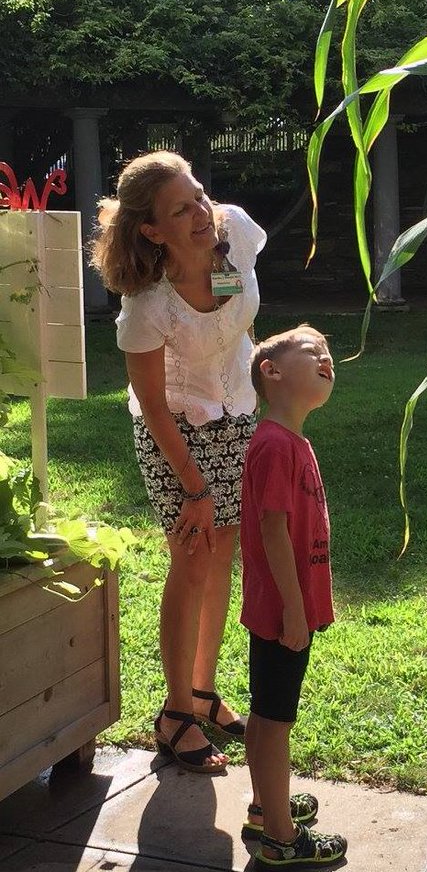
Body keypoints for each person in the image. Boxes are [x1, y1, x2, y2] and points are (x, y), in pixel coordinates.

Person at [91, 150, 267, 774]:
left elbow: (237, 319)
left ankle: (203, 691)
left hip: (236, 418)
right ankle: (173, 715)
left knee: (222, 556)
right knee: (191, 558)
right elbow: (152, 404)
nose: (201, 213)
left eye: (198, 195)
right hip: (176, 435)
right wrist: (194, 487)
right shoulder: (148, 307)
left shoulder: (234, 236)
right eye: (180, 209)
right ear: (152, 230)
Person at [240, 325, 348, 868]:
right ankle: (281, 835)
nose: (326, 359)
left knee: (266, 712)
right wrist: (293, 608)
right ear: (271, 371)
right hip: (285, 609)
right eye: (313, 352)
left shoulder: (286, 440)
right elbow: (274, 531)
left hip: (284, 605)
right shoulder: (275, 445)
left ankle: (266, 805)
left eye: (328, 353)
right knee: (276, 720)